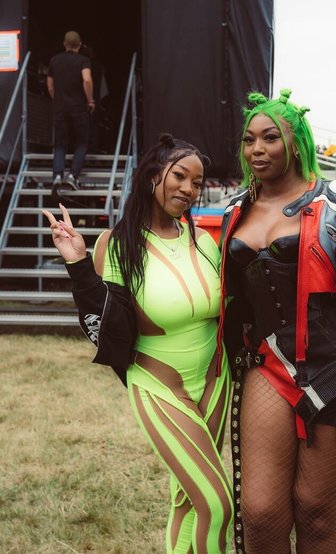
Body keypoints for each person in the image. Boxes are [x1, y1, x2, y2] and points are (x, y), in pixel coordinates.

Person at [218, 89, 336, 553]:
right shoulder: (233, 209)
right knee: (260, 514)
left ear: (297, 142)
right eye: (249, 140)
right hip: (272, 364)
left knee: (316, 513)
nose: (257, 149)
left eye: (270, 137)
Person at [43, 134, 233, 553]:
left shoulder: (204, 241)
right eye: (179, 175)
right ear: (152, 175)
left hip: (216, 381)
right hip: (160, 385)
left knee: (189, 500)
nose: (188, 189)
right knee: (217, 505)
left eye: (197, 182)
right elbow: (102, 322)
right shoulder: (117, 244)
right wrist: (77, 264)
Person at [47, 31, 95, 190]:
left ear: (64, 44)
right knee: (81, 142)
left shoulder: (54, 61)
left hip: (60, 108)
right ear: (79, 45)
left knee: (60, 145)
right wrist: (90, 100)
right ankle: (73, 176)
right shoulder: (83, 60)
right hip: (79, 108)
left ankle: (57, 176)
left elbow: (50, 86)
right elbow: (87, 79)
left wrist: (57, 100)